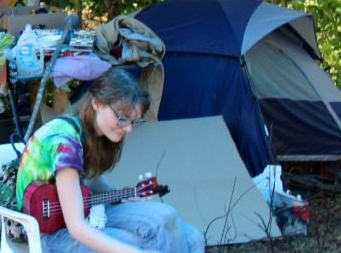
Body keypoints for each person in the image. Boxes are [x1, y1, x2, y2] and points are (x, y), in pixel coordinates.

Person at [15, 68, 204, 253]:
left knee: (190, 235)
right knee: (140, 243)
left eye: (133, 121)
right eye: (122, 119)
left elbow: (91, 183)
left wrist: (121, 197)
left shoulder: (92, 132)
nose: (128, 129)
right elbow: (77, 228)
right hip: (47, 232)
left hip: (87, 212)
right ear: (96, 103)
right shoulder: (67, 144)